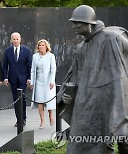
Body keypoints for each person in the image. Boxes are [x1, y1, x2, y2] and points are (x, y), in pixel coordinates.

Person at [61, 5, 128, 154]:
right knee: (90, 141)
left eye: (77, 23)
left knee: (122, 136)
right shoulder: (79, 48)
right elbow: (75, 77)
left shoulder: (112, 38)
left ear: (88, 24)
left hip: (113, 95)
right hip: (89, 101)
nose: (74, 27)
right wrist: (68, 95)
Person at [3, 32, 32, 127]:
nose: (15, 41)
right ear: (11, 40)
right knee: (15, 99)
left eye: (17, 39)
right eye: (14, 39)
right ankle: (18, 119)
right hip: (13, 79)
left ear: (20, 40)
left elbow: (29, 65)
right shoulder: (8, 51)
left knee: (22, 99)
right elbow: (5, 66)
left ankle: (23, 118)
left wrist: (29, 78)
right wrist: (5, 77)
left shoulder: (26, 50)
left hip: (23, 79)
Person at [30, 39, 56, 129]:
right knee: (40, 101)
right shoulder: (35, 56)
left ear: (46, 47)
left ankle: (51, 115)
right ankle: (42, 121)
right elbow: (33, 70)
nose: (41, 47)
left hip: (48, 82)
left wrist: (52, 81)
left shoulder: (51, 56)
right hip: (38, 82)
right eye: (39, 45)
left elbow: (53, 70)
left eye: (43, 45)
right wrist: (32, 82)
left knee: (48, 100)